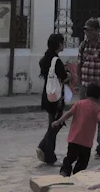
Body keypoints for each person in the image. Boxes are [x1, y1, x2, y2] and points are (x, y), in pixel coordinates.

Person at [52, 82, 100, 177]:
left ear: (86, 93)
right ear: (99, 97)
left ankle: (65, 172)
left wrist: (58, 121)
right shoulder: (98, 108)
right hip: (86, 142)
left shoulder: (79, 103)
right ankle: (78, 174)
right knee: (83, 160)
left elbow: (68, 114)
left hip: (74, 138)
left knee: (70, 157)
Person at [77, 19, 100, 158]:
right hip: (86, 86)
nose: (87, 33)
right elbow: (79, 64)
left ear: (97, 31)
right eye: (86, 30)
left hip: (98, 87)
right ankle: (83, 144)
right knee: (84, 117)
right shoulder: (83, 45)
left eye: (90, 30)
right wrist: (80, 82)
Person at [37, 33, 70, 165]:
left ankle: (45, 148)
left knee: (55, 123)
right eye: (62, 42)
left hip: (48, 94)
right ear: (58, 44)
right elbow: (64, 77)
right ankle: (48, 153)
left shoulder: (46, 58)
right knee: (55, 124)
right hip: (55, 97)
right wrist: (68, 74)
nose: (64, 45)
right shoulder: (56, 60)